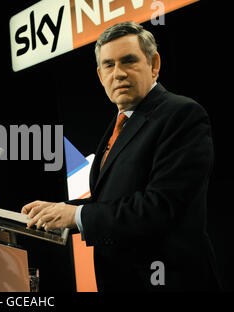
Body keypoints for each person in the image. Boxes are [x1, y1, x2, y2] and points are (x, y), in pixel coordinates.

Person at [21, 21, 220, 291]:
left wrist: (77, 216)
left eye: (128, 61)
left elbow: (160, 207)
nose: (119, 74)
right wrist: (57, 211)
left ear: (154, 64)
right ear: (100, 75)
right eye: (109, 65)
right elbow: (114, 198)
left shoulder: (181, 114)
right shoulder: (121, 121)